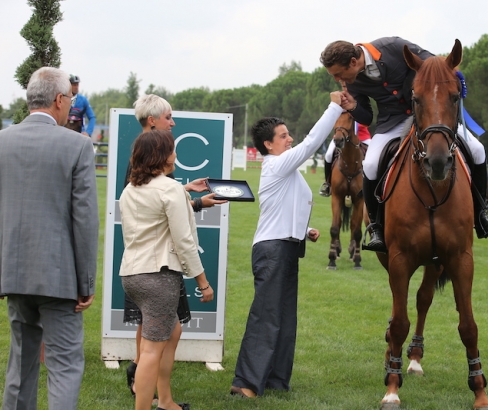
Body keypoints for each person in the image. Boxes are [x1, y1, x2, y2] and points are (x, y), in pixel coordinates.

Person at [320, 37, 488, 252]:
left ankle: (482, 213)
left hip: (428, 114)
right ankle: (376, 227)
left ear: (353, 62)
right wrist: (353, 106)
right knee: (370, 164)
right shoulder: (352, 82)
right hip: (392, 121)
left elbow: (433, 66)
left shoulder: (393, 47)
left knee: (477, 149)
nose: (337, 80)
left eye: (337, 74)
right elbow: (366, 118)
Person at [230, 92, 344, 398]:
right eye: (283, 136)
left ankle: (275, 380)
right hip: (273, 251)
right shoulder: (276, 164)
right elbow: (311, 143)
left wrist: (305, 230)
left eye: (288, 134)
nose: (290, 139)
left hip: (286, 247)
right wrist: (335, 106)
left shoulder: (282, 169)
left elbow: (279, 208)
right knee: (266, 316)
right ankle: (245, 384)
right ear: (269, 144)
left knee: (284, 319)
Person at [0, 67, 99, 409]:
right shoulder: (77, 145)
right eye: (70, 99)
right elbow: (84, 219)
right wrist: (86, 282)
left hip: (13, 273)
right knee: (65, 365)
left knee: (21, 364)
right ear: (59, 100)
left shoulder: (3, 142)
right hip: (60, 278)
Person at [123, 94, 227, 399]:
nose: (176, 154)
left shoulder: (132, 187)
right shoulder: (167, 188)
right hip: (159, 274)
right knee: (152, 349)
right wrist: (204, 283)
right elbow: (183, 240)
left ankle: (165, 401)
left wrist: (184, 193)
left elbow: (151, 201)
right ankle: (149, 398)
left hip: (132, 272)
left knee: (167, 334)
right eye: (173, 150)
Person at [319, 122, 371, 196]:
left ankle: (372, 187)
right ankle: (328, 184)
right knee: (328, 155)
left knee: (373, 158)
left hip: (362, 136)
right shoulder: (343, 110)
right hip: (343, 135)